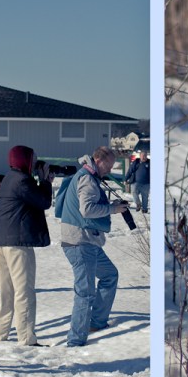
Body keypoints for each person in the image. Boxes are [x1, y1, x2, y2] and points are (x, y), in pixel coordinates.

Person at [56, 146, 128, 347]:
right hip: (80, 242)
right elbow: (86, 210)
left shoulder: (88, 176)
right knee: (85, 292)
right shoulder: (87, 178)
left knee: (109, 275)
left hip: (88, 241)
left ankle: (96, 322)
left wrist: (110, 205)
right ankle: (76, 340)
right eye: (109, 164)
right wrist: (113, 209)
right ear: (98, 159)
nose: (110, 169)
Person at [0, 145, 53, 346]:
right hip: (17, 244)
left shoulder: (9, 178)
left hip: (3, 242)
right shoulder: (22, 181)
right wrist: (45, 181)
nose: (36, 163)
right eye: (33, 159)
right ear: (24, 160)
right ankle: (26, 338)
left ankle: (0, 334)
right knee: (24, 291)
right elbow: (43, 201)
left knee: (7, 292)